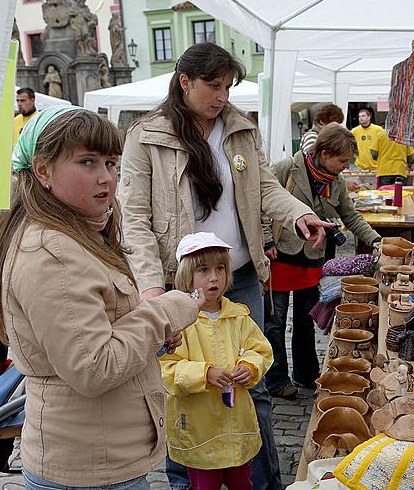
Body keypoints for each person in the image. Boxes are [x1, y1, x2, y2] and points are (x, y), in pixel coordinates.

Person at [120, 42, 330, 490]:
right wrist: (152, 288)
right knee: (184, 391)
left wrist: (298, 212)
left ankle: (263, 484)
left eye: (228, 87)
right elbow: (133, 217)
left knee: (253, 388)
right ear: (184, 83)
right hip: (179, 290)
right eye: (213, 86)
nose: (222, 96)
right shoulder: (147, 135)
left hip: (240, 276)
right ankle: (187, 484)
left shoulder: (239, 129)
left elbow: (264, 186)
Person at [0, 105, 201, 489]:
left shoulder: (76, 234)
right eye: (87, 162)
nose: (106, 177)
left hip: (100, 455)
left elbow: (98, 328)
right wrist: (165, 311)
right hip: (89, 467)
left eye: (111, 163)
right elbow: (94, 366)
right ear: (43, 171)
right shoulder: (53, 254)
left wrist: (149, 336)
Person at [263, 123, 381, 399]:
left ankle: (306, 374)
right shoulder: (285, 169)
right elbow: (261, 204)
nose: (346, 166)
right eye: (342, 160)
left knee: (305, 320)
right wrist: (266, 241)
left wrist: (376, 240)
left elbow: (351, 217)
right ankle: (275, 379)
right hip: (279, 255)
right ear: (325, 153)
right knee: (275, 322)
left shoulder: (336, 182)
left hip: (313, 259)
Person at [162, 232, 273, 490]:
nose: (214, 277)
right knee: (205, 485)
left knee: (242, 483)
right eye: (204, 270)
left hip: (237, 426)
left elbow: (260, 350)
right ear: (187, 276)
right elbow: (168, 369)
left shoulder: (238, 316)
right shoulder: (180, 323)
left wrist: (249, 367)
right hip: (201, 430)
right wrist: (205, 374)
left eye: (220, 268)